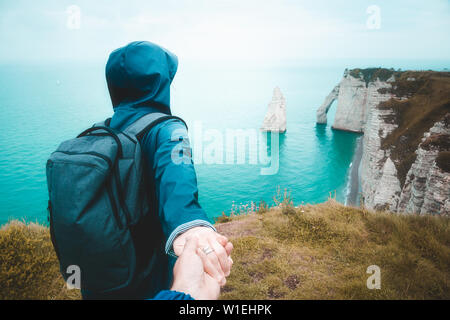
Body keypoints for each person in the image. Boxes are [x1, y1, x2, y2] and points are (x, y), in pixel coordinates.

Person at [81, 41, 233, 299]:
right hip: (147, 274)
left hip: (100, 277)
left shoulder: (98, 132)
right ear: (159, 83)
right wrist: (192, 229)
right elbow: (177, 183)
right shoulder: (168, 130)